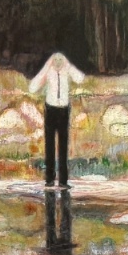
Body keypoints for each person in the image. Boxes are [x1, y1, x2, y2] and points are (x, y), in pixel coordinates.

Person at [28, 52, 85, 187]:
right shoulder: (48, 72)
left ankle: (63, 181)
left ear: (64, 60)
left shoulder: (67, 71)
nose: (58, 62)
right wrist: (45, 70)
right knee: (49, 145)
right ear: (51, 61)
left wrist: (69, 66)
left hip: (64, 110)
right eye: (55, 59)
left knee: (63, 145)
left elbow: (80, 78)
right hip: (51, 110)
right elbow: (32, 88)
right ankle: (49, 179)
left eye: (61, 59)